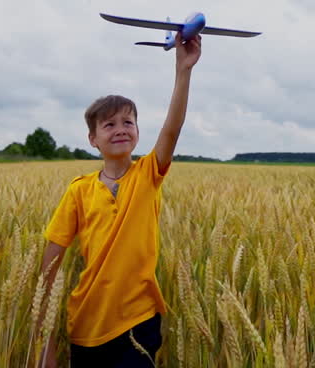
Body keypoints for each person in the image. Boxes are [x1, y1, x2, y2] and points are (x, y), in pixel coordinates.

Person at [36, 33, 202, 367]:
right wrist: (44, 346)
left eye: (128, 121)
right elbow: (49, 267)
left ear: (138, 131)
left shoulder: (147, 175)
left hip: (138, 323)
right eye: (108, 124)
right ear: (93, 139)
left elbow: (171, 130)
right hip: (85, 325)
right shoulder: (79, 191)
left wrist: (183, 70)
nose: (120, 129)